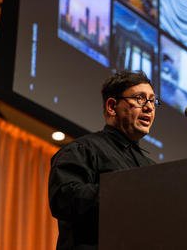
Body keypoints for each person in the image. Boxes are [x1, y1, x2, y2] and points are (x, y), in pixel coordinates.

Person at [48, 69, 160, 250]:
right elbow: (63, 198)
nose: (148, 107)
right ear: (112, 106)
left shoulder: (153, 169)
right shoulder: (84, 149)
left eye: (153, 101)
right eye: (140, 98)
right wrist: (127, 194)